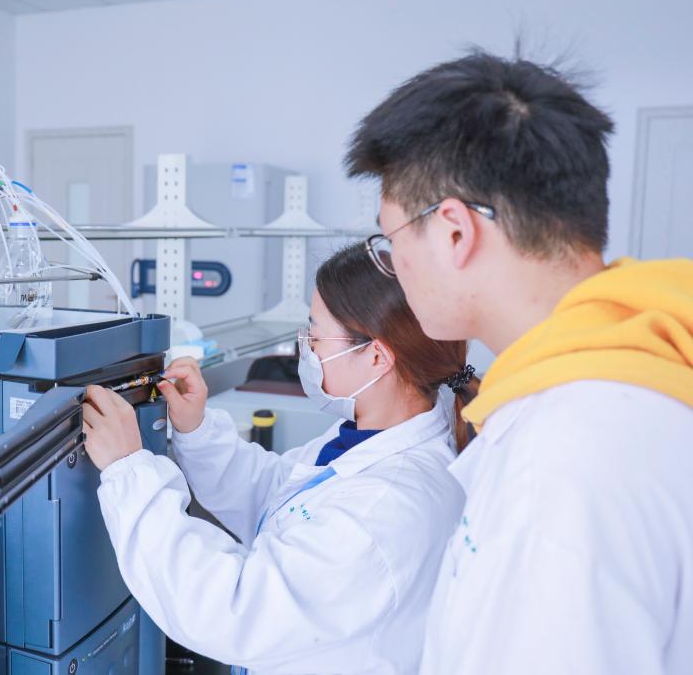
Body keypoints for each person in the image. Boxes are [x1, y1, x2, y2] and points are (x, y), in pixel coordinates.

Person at [344, 50, 693, 674]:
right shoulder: (641, 373)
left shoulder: (567, 459)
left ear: (454, 231)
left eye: (390, 241)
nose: (393, 267)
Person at [83, 242, 473, 674]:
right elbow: (278, 494)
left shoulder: (383, 512)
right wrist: (197, 429)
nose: (305, 347)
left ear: (377, 357)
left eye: (315, 336)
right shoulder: (377, 430)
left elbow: (231, 611)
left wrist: (129, 471)